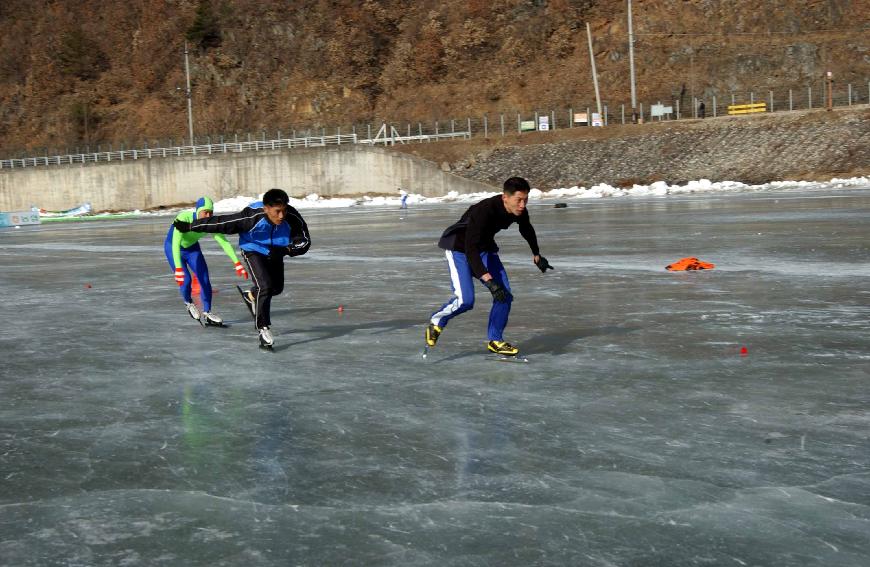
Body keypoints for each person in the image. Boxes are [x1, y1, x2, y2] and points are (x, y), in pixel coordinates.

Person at [426, 176, 553, 357]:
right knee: (466, 300)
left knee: (504, 295)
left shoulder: (519, 210)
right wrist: (488, 280)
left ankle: (495, 340)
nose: (523, 205)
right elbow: (470, 250)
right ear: (505, 198)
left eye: (526, 200)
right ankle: (437, 321)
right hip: (460, 250)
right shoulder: (484, 211)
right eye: (519, 200)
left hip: (485, 248)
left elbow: (526, 228)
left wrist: (536, 254)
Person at [173, 188, 310, 349]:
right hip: (253, 250)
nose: (281, 216)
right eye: (277, 211)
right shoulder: (251, 216)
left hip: (276, 251)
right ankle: (263, 329)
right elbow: (221, 223)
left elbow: (305, 241)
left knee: (276, 288)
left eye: (284, 210)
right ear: (266, 209)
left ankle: (251, 295)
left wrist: (286, 250)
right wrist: (191, 226)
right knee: (264, 286)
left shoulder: (292, 217)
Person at [164, 196, 248, 326]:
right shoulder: (183, 218)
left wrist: (237, 263)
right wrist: (178, 269)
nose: (208, 215)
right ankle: (188, 302)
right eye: (205, 212)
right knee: (186, 280)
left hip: (192, 249)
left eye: (211, 212)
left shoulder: (210, 223)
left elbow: (224, 242)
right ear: (198, 211)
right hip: (173, 249)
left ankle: (207, 312)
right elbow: (175, 242)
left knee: (204, 280)